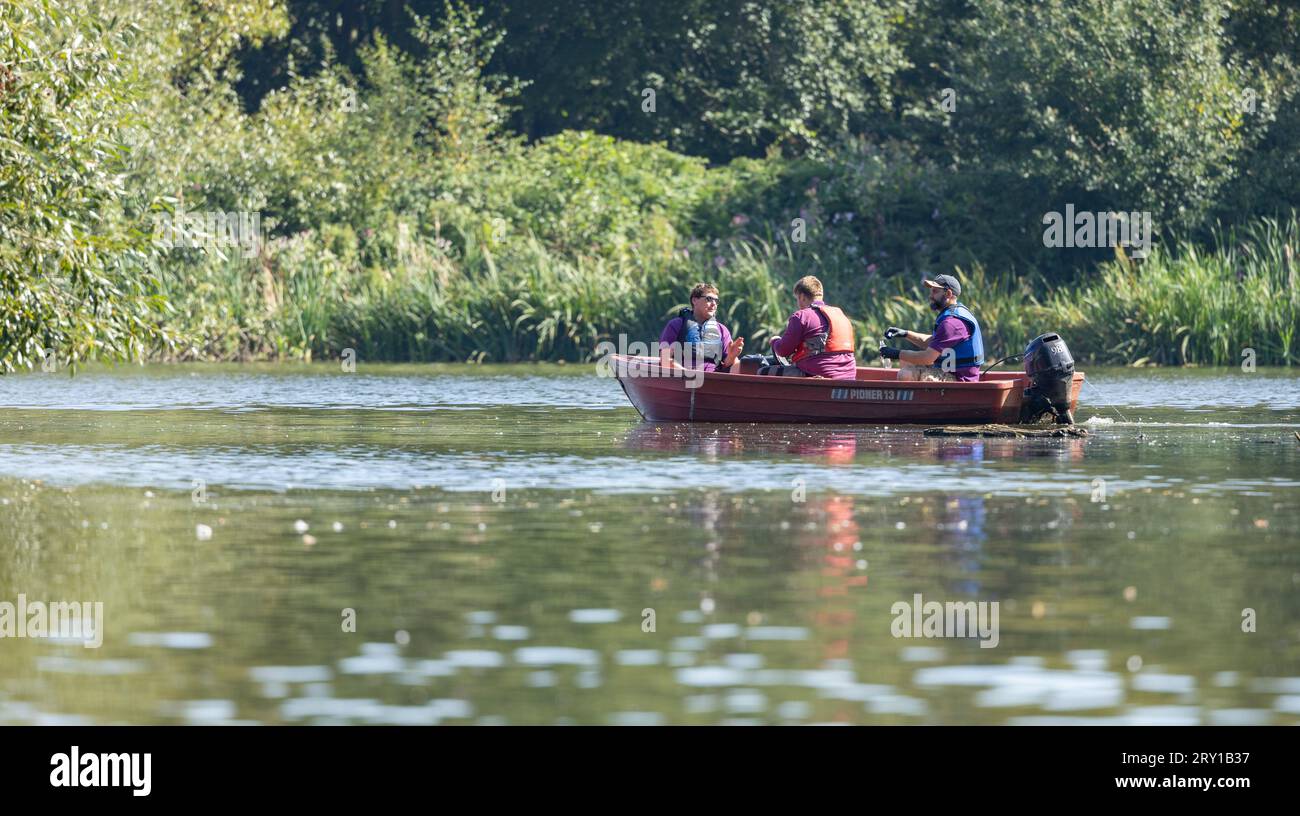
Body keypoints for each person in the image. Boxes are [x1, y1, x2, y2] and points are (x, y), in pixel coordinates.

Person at [878, 274, 984, 382]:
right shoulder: (952, 314)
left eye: (935, 292)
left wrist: (895, 354)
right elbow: (934, 342)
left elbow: (927, 358)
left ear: (948, 294)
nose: (930, 296)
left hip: (959, 380)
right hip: (948, 372)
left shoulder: (952, 323)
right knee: (906, 361)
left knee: (906, 374)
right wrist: (905, 333)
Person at [764, 276, 857, 379]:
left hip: (818, 376)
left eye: (797, 299)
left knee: (762, 371)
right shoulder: (841, 316)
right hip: (849, 377)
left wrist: (775, 341)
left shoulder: (801, 316)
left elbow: (783, 350)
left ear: (802, 297)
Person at [659, 283, 744, 372]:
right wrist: (686, 373)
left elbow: (728, 364)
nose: (714, 304)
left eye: (716, 301)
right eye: (709, 299)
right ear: (695, 300)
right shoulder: (676, 325)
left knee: (747, 363)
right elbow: (665, 360)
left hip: (714, 379)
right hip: (684, 377)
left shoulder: (722, 330)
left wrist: (731, 356)